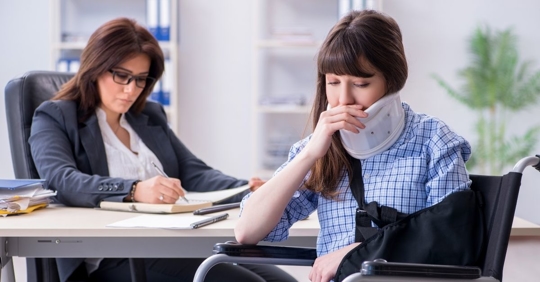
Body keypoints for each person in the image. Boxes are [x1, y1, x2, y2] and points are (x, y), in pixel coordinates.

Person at [29, 17, 296, 282]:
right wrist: (134, 190)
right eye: (121, 76)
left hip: (169, 242)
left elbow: (193, 172)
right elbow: (60, 181)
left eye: (141, 79)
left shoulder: (149, 116)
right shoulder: (55, 116)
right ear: (96, 67)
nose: (131, 89)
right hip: (109, 254)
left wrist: (247, 190)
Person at [235, 10, 472, 282]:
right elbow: (247, 232)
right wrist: (309, 154)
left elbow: (451, 235)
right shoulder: (320, 150)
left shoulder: (434, 140)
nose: (343, 99)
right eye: (333, 82)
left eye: (361, 83)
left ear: (391, 80)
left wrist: (361, 251)